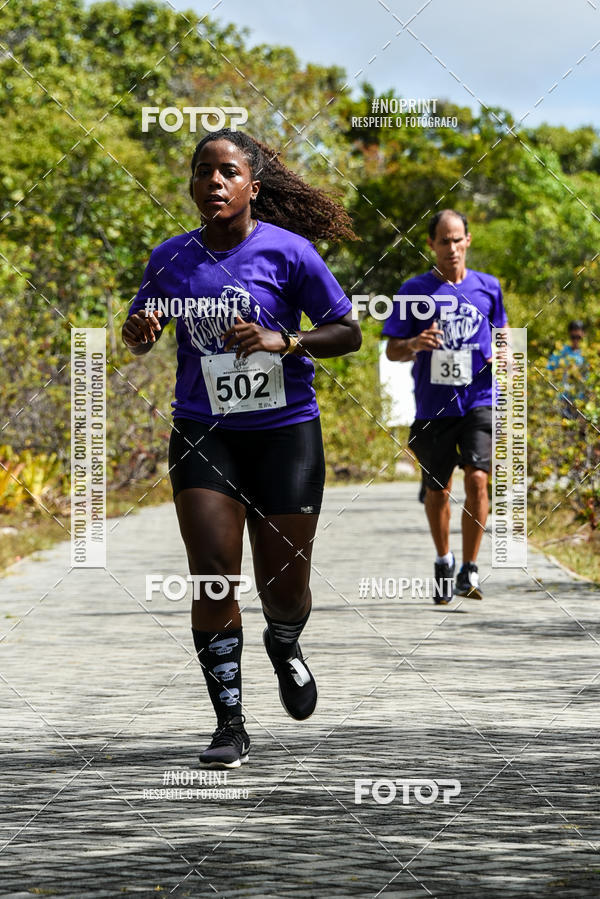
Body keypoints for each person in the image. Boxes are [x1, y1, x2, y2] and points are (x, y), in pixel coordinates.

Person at [122, 129, 361, 768]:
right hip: (205, 433)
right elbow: (140, 332)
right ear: (192, 184)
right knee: (213, 576)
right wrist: (139, 329)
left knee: (283, 587)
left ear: (253, 186)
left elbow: (348, 331)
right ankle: (230, 722)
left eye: (228, 171)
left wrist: (286, 341)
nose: (214, 182)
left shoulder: (291, 253)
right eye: (203, 171)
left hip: (285, 435)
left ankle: (284, 642)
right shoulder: (171, 258)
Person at [383, 210, 508, 603]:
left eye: (458, 240)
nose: (451, 248)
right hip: (435, 406)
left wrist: (503, 354)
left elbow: (502, 334)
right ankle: (444, 559)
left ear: (468, 241)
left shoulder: (489, 288)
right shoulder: (413, 290)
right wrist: (415, 344)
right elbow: (392, 349)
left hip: (480, 399)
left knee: (477, 480)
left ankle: (469, 568)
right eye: (444, 241)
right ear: (431, 245)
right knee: (438, 491)